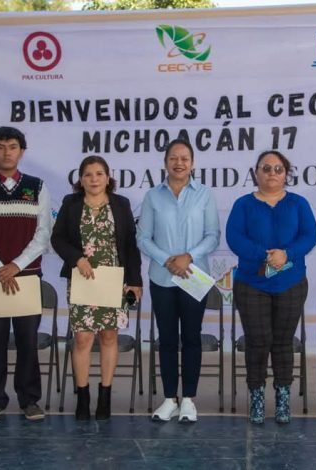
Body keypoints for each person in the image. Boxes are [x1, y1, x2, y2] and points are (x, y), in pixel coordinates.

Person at [0, 126, 52, 422]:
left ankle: (29, 400)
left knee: (28, 338)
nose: (6, 152)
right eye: (0, 147)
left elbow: (43, 234)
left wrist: (15, 265)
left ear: (22, 151)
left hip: (26, 275)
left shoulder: (37, 186)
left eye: (12, 146)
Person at [226, 150, 316, 424]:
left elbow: (310, 235)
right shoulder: (243, 204)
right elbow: (234, 237)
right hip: (252, 284)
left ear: (285, 174)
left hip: (290, 283)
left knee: (282, 343)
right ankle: (256, 397)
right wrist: (265, 255)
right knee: (257, 342)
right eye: (266, 168)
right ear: (256, 173)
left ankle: (282, 398)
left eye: (278, 169)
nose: (272, 173)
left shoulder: (298, 203)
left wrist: (286, 254)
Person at [51, 155, 142, 421]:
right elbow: (57, 239)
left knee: (109, 336)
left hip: (114, 279)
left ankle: (105, 394)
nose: (94, 179)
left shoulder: (121, 204)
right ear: (80, 179)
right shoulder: (70, 204)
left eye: (99, 174)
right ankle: (83, 395)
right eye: (88, 174)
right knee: (82, 338)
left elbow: (129, 245)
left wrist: (135, 281)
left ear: (108, 177)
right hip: (82, 278)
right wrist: (77, 258)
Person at [137, 139, 220, 423]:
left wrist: (188, 257)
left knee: (192, 338)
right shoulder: (152, 196)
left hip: (193, 277)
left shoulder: (204, 194)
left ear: (192, 163)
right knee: (168, 340)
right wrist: (167, 260)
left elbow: (212, 235)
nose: (179, 163)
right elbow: (143, 238)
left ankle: (189, 400)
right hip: (162, 278)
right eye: (174, 158)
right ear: (165, 163)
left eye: (185, 158)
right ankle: (169, 398)